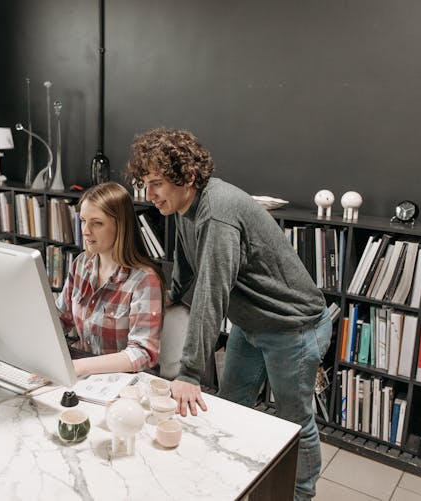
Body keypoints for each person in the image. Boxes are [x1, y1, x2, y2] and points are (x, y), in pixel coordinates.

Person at [126, 128, 331, 501]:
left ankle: (299, 495)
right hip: (251, 323)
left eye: (156, 183)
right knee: (232, 405)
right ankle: (236, 482)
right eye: (145, 183)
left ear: (187, 177)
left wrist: (188, 371)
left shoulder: (217, 213)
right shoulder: (184, 208)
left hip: (292, 327)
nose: (149, 194)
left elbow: (211, 293)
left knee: (294, 420)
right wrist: (167, 298)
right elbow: (187, 269)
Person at [56, 182, 164, 377]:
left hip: (124, 381)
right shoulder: (81, 263)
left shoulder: (145, 280)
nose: (85, 230)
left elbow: (142, 353)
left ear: (120, 226)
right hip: (83, 370)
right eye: (82, 220)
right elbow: (62, 317)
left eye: (97, 223)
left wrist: (79, 367)